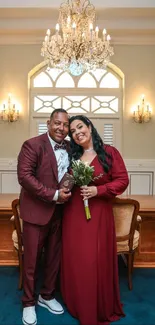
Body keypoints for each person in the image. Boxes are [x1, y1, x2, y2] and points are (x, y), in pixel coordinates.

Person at [61, 115, 129, 325]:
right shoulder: (73, 156)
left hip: (98, 214)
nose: (77, 132)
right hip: (74, 214)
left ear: (89, 126)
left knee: (94, 259)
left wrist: (97, 190)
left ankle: (97, 304)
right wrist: (65, 184)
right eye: (72, 131)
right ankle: (77, 302)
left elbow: (122, 180)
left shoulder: (109, 152)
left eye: (80, 127)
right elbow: (67, 182)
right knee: (76, 258)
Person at [17, 108, 71, 325]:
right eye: (57, 123)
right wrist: (54, 195)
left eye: (65, 125)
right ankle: (28, 303)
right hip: (36, 213)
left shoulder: (69, 147)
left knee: (54, 259)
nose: (61, 128)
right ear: (48, 123)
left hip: (60, 213)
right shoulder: (32, 144)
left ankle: (46, 296)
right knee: (31, 262)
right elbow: (25, 177)